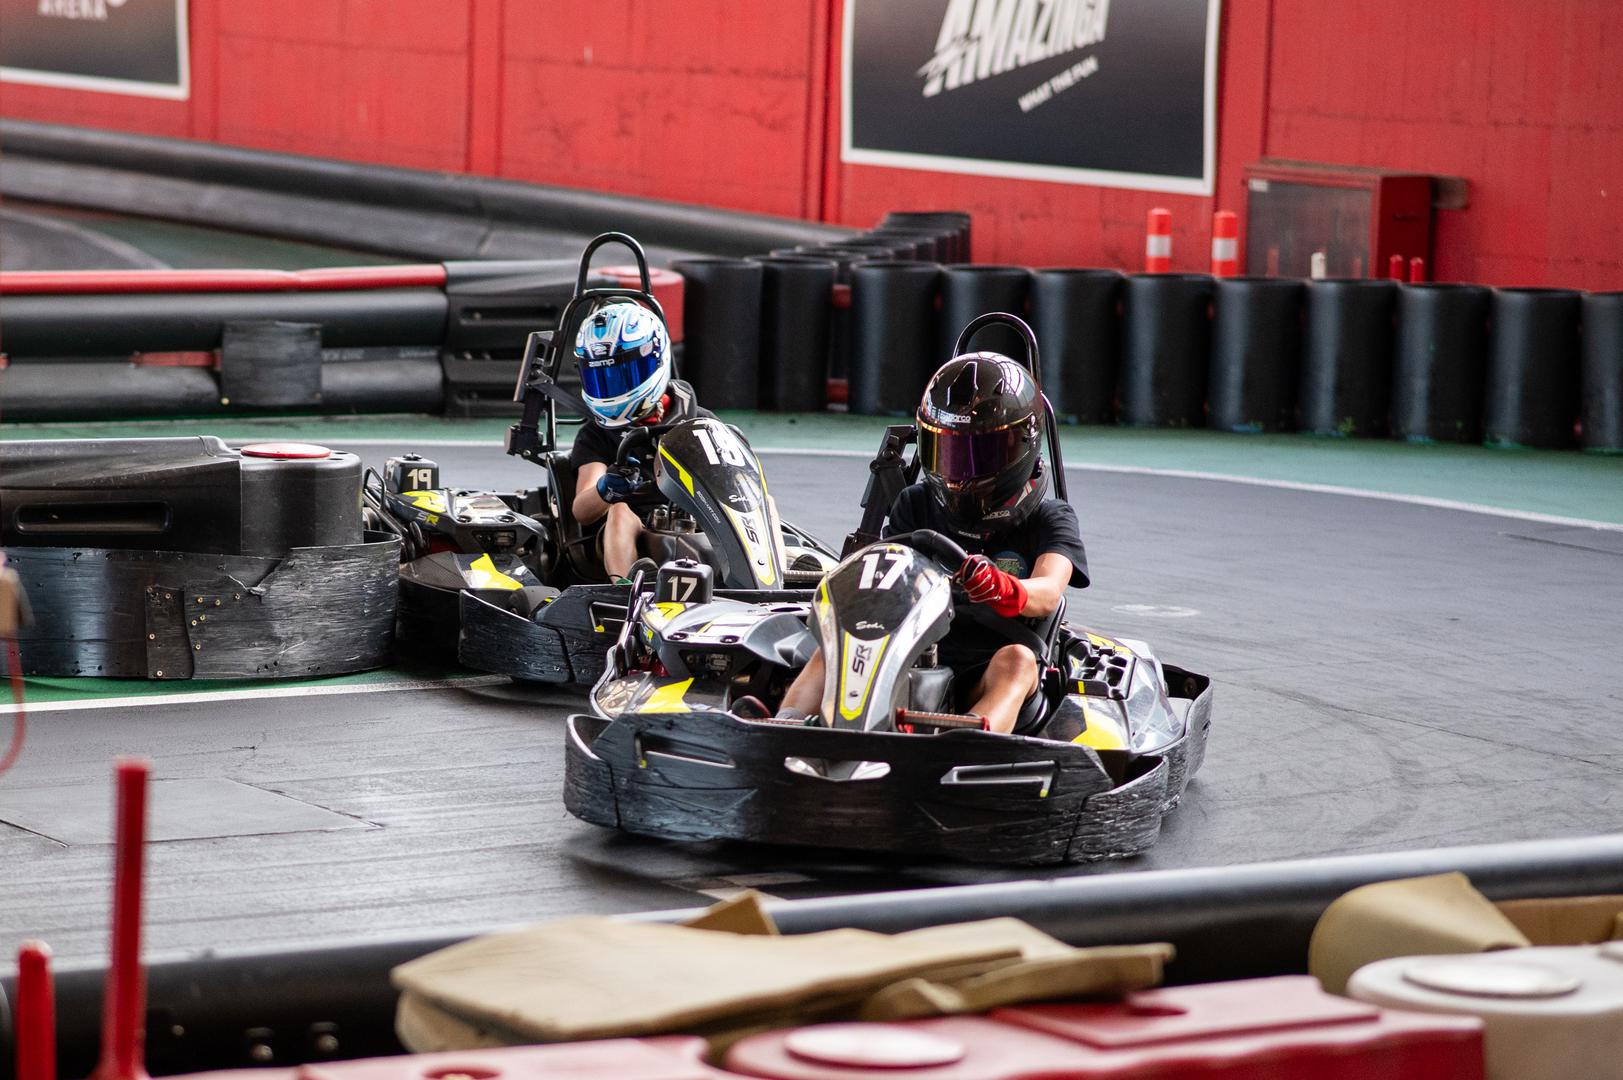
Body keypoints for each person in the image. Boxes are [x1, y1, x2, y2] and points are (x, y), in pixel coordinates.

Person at [776, 350, 1088, 734]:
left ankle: (969, 747)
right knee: (834, 651)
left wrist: (1001, 587)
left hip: (991, 659)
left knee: (1018, 662)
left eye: (977, 456)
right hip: (913, 649)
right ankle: (781, 731)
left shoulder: (1050, 517)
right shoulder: (917, 503)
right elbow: (887, 573)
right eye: (949, 452)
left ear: (1022, 445)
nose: (958, 474)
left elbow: (1048, 591)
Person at [568, 300, 710, 581]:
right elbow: (581, 510)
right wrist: (607, 488)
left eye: (621, 375)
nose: (611, 389)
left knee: (761, 501)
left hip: (696, 527)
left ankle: (773, 581)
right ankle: (624, 590)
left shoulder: (700, 424)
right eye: (602, 377)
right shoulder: (596, 434)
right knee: (620, 511)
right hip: (630, 530)